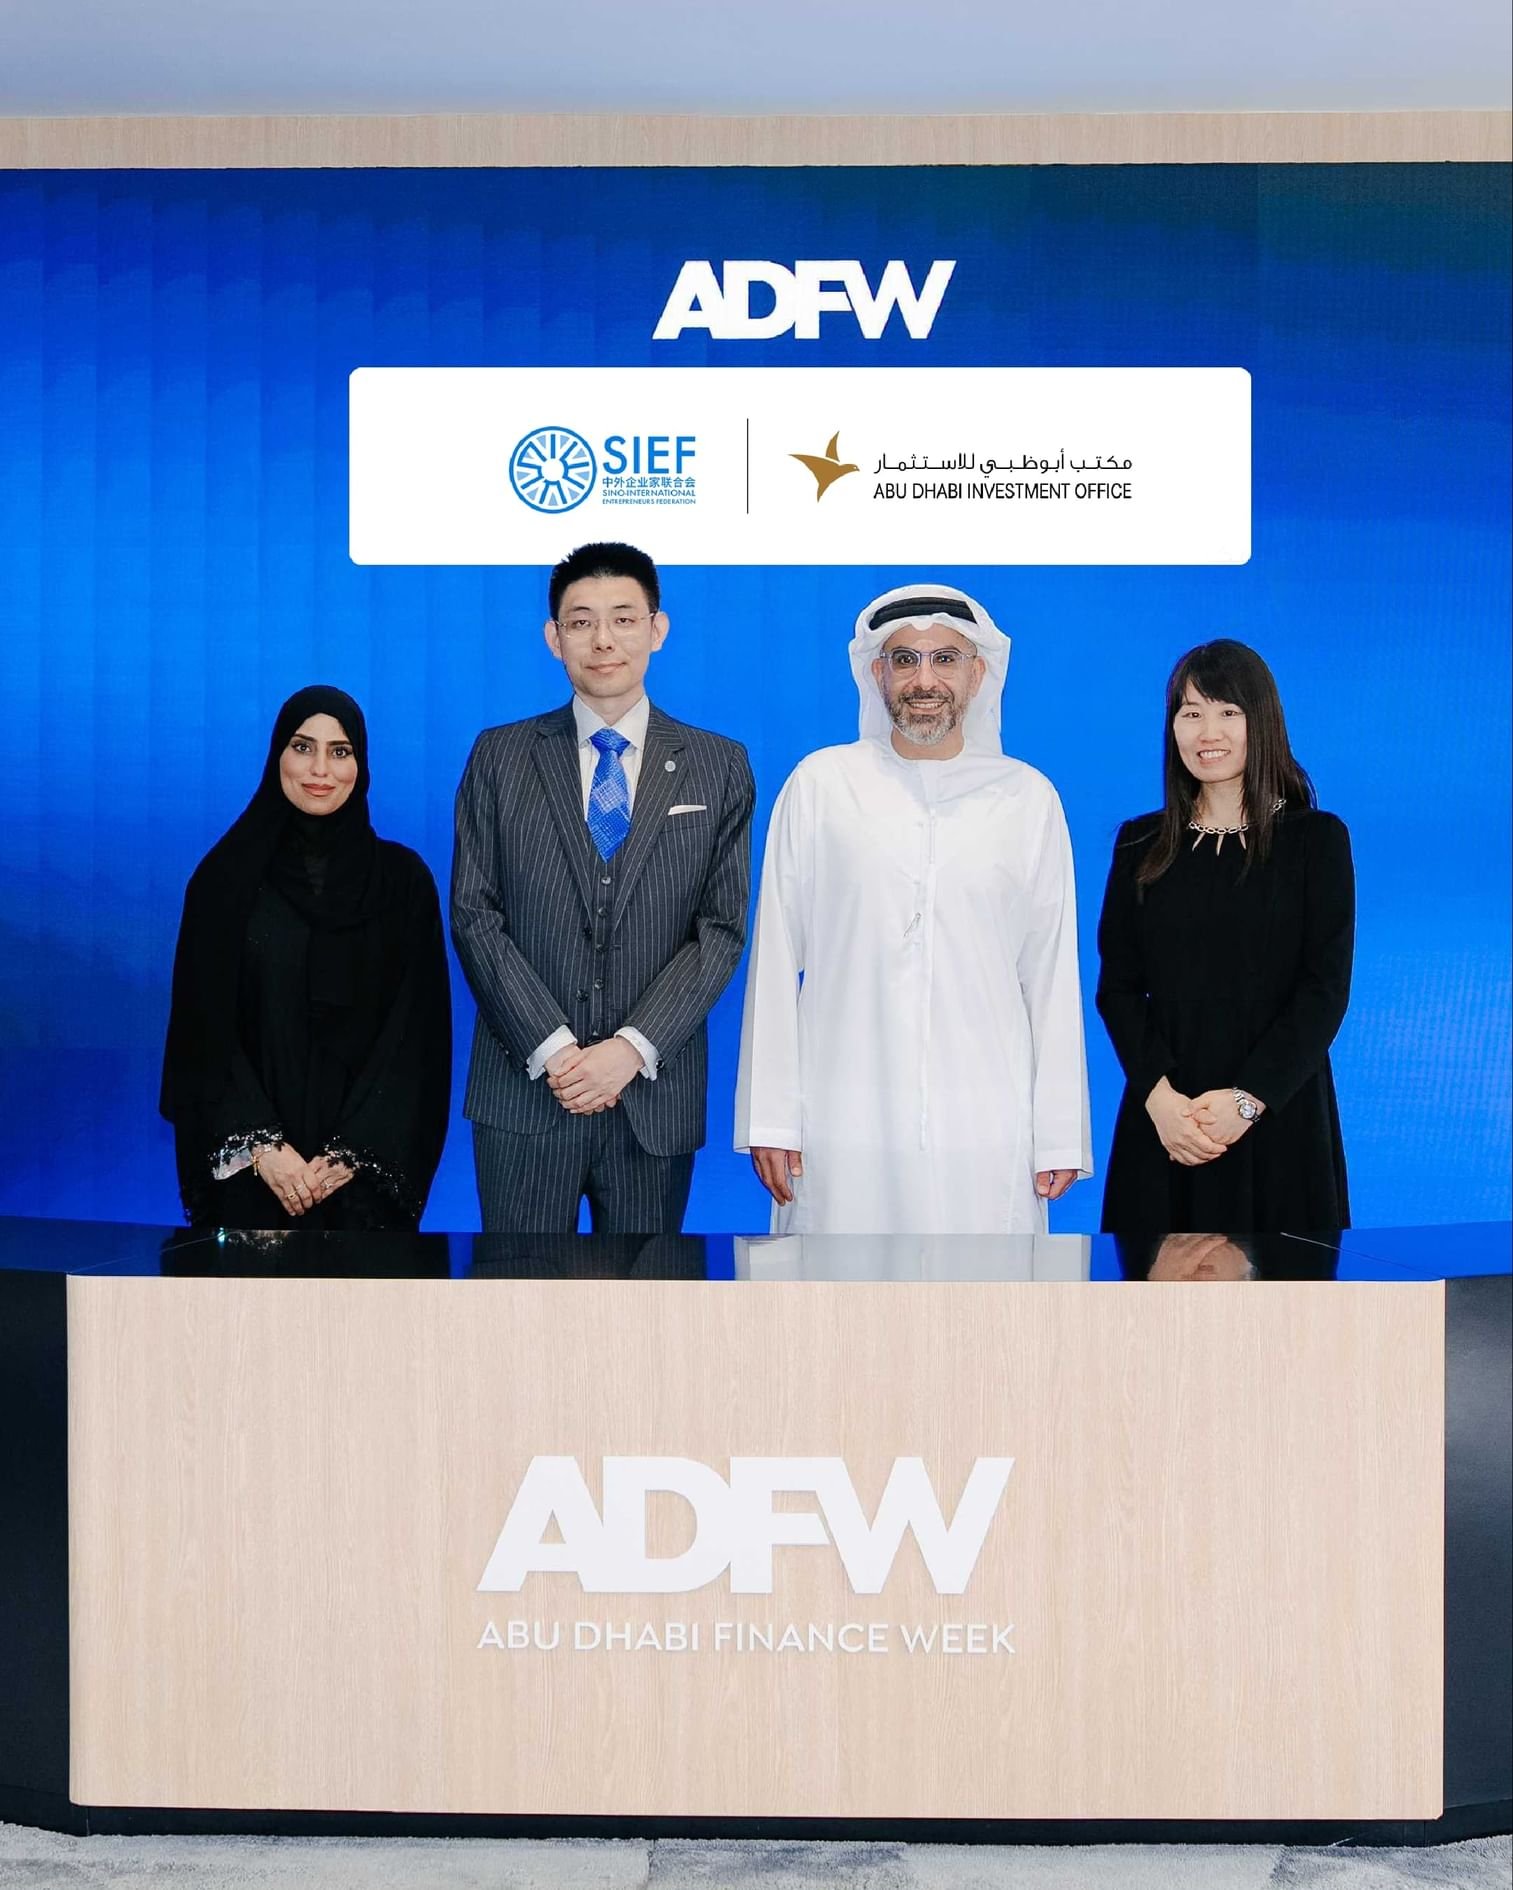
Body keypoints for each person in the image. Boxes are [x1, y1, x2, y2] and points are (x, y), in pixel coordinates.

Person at [735, 582, 1091, 1234]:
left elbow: (1050, 976)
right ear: (878, 675)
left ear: (977, 674)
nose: (924, 680)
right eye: (905, 660)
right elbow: (776, 959)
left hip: (985, 1122)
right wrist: (772, 1121)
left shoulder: (1027, 799)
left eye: (945, 659)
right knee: (835, 1289)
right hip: (841, 1118)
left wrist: (1060, 1133)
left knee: (984, 1291)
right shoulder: (821, 785)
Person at [451, 542, 754, 1234]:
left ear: (657, 628)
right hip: (526, 1093)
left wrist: (631, 1049)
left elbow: (720, 930)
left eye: (623, 618)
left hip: (651, 1097)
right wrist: (554, 1049)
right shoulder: (499, 756)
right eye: (581, 621)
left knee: (646, 1297)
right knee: (520, 1292)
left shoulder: (718, 765)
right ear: (553, 637)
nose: (603, 639)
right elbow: (474, 915)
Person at [160, 686, 451, 1230]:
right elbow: (202, 1030)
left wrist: (350, 1155)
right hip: (250, 1177)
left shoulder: (402, 884)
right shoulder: (223, 882)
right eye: (302, 747)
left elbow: (416, 1038)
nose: (321, 769)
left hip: (362, 1185)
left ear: (361, 765)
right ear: (277, 756)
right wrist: (264, 1148)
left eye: (340, 751)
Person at [1096, 639, 1353, 1236]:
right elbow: (1119, 990)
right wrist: (1160, 1101)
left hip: (1279, 1118)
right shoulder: (1140, 844)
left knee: (1284, 1292)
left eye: (1227, 711)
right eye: (1191, 713)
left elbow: (1324, 990)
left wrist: (1246, 1101)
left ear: (1261, 721)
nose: (1207, 732)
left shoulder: (1315, 841)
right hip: (1168, 1123)